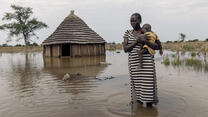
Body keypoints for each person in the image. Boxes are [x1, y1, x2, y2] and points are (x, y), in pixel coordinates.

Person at [123, 13, 162, 107]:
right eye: (131, 20)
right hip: (134, 65)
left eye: (134, 20)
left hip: (147, 64)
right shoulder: (127, 33)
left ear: (140, 20)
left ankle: (149, 110)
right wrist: (137, 41)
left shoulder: (146, 31)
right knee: (138, 90)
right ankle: (140, 111)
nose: (132, 22)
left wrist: (144, 41)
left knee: (147, 88)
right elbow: (125, 49)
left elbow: (157, 46)